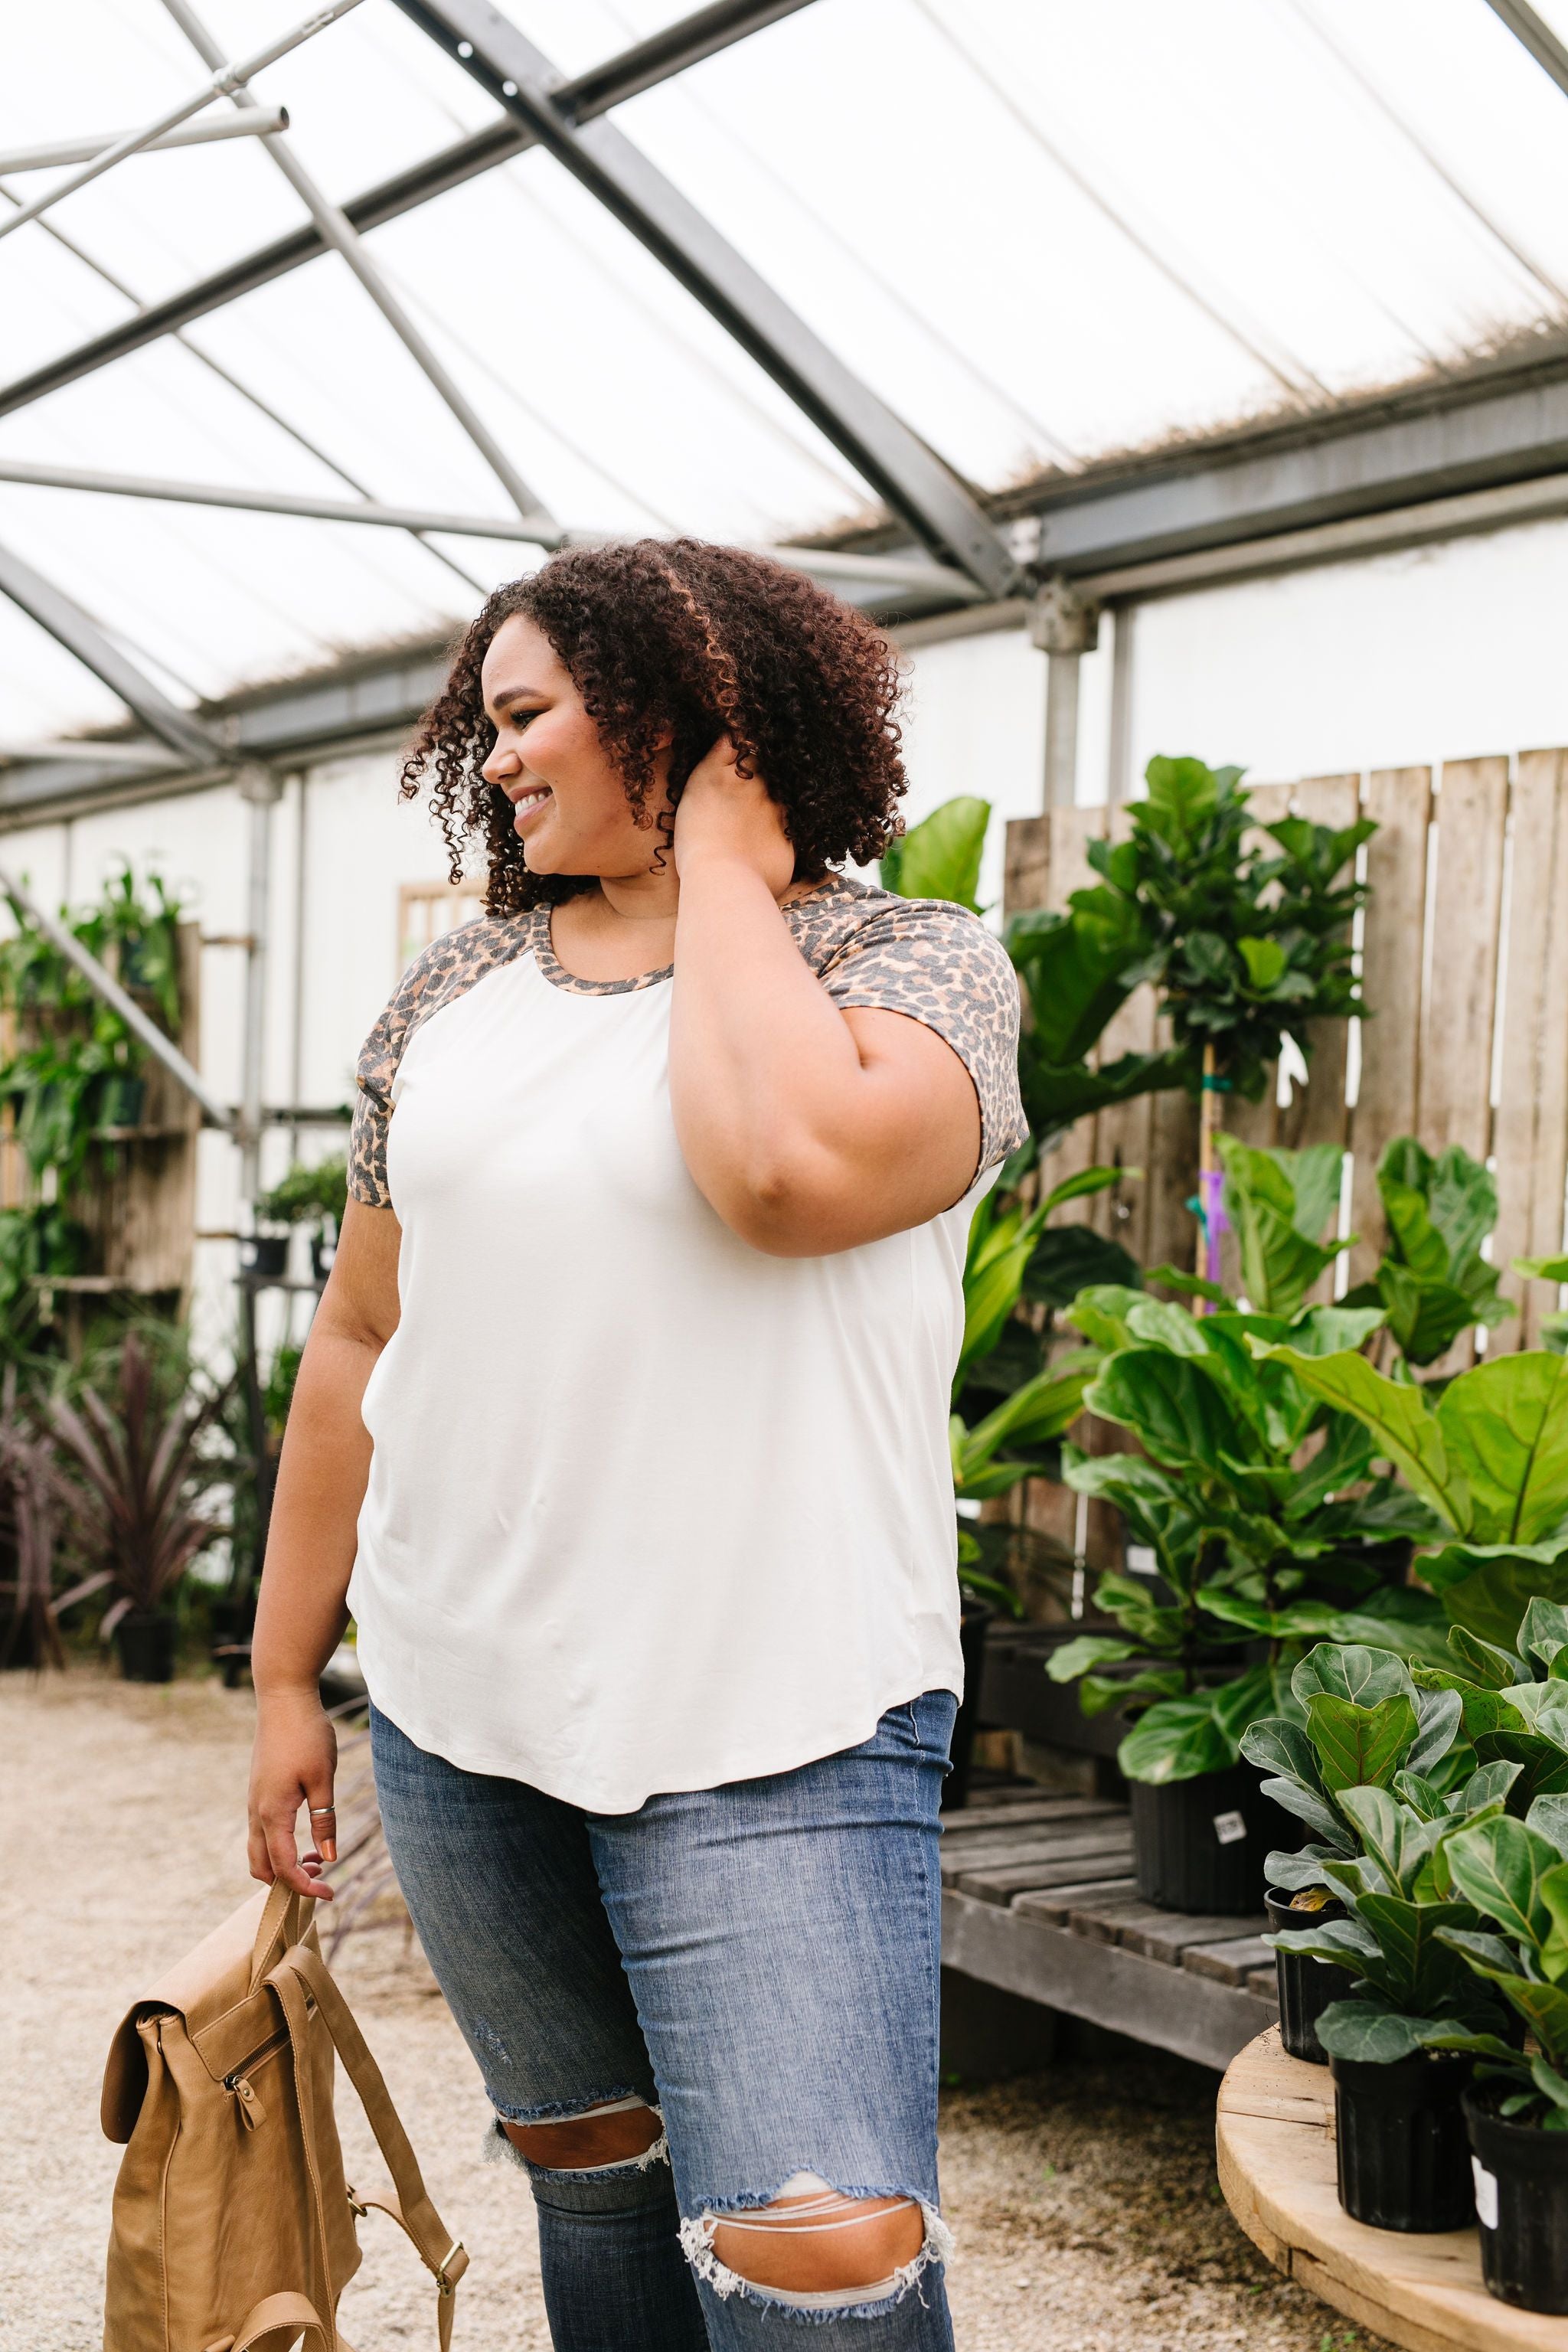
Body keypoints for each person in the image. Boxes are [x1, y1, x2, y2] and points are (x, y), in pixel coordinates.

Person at [247, 538, 1026, 2350]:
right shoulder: (446, 1001)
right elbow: (363, 1333)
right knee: (594, 2187)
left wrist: (731, 859)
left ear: (686, 720)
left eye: (531, 716)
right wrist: (291, 1677)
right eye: (488, 722)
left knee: (813, 2271)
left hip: (781, 1719)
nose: (496, 757)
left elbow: (781, 1172)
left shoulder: (910, 964)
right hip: (461, 1714)